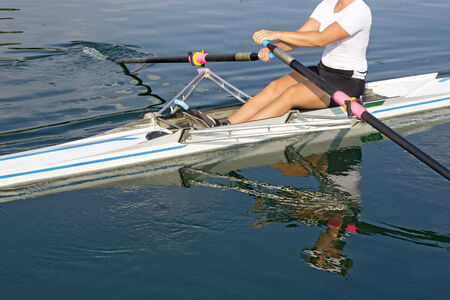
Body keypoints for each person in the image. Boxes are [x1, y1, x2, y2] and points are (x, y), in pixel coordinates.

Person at [223, 0, 372, 125]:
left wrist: (277, 34)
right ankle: (225, 124)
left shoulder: (359, 11)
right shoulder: (328, 4)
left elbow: (321, 39)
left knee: (291, 94)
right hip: (322, 71)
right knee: (274, 87)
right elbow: (302, 35)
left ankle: (241, 132)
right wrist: (275, 48)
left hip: (347, 82)